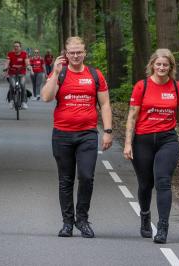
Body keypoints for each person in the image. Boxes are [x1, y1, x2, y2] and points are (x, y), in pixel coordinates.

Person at [41, 36, 113, 238]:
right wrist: (55, 73)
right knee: (65, 180)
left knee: (87, 177)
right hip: (62, 134)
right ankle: (67, 223)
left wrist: (107, 131)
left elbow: (105, 104)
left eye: (79, 52)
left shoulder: (94, 75)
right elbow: (46, 97)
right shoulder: (60, 73)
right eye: (71, 52)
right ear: (65, 53)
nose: (75, 55)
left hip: (88, 134)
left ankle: (82, 219)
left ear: (84, 53)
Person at [123, 48, 179, 244]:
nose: (162, 67)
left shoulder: (177, 88)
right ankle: (145, 215)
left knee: (163, 182)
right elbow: (132, 116)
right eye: (158, 64)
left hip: (167, 140)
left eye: (166, 65)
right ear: (152, 65)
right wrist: (128, 144)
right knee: (146, 184)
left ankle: (162, 227)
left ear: (171, 67)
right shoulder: (141, 86)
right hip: (143, 140)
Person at [3, 41, 32, 110]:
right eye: (14, 46)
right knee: (12, 85)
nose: (16, 47)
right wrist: (5, 67)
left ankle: (23, 102)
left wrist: (28, 66)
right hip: (12, 73)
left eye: (17, 46)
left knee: (22, 85)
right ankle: (11, 101)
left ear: (20, 47)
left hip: (21, 74)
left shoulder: (24, 54)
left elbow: (27, 61)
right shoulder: (10, 54)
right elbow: (7, 62)